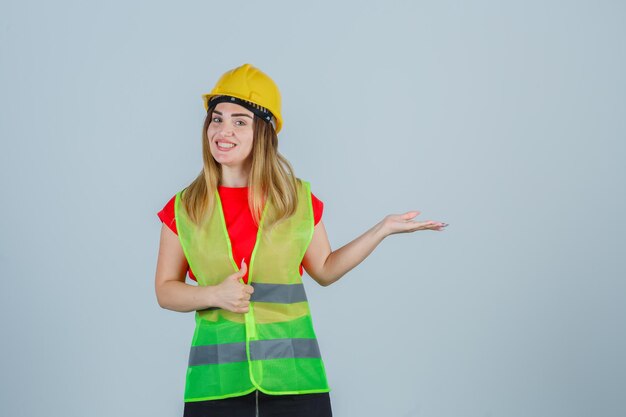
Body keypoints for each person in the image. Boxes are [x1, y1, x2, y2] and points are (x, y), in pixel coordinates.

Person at [154, 63, 448, 417]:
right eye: (217, 118)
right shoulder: (185, 207)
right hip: (215, 386)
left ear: (262, 132)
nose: (223, 130)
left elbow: (324, 270)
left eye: (239, 121)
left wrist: (380, 230)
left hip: (294, 380)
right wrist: (213, 294)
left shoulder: (296, 200)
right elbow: (165, 290)